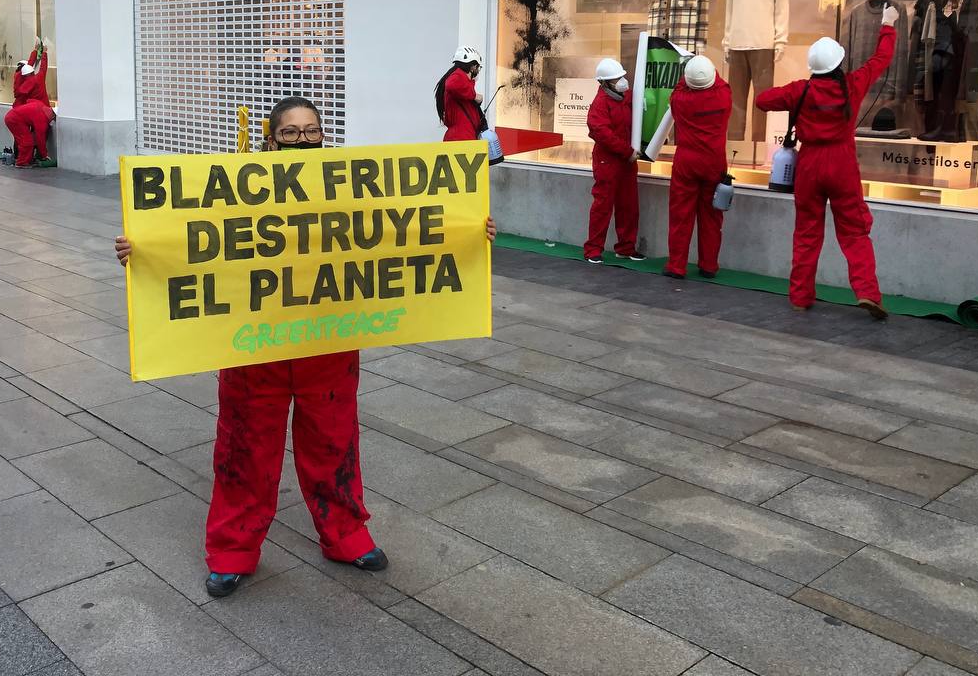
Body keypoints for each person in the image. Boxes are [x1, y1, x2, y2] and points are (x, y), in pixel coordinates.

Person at [114, 95, 498, 599]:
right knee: (244, 449)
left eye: (311, 130)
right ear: (271, 140)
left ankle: (345, 534)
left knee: (333, 442)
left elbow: (398, 229)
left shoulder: (348, 191)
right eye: (290, 133)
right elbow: (187, 241)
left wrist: (469, 231)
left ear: (325, 136)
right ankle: (232, 550)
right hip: (254, 348)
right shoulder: (231, 191)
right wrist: (139, 249)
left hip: (328, 346)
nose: (302, 139)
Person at [756, 3, 899, 319]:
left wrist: (790, 95)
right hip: (842, 164)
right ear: (838, 63)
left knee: (807, 232)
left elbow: (762, 101)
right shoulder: (853, 85)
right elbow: (881, 59)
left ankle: (800, 296)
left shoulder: (800, 91)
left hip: (809, 165)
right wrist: (887, 25)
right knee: (854, 232)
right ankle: (867, 293)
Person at [664, 55, 732, 279]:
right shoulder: (724, 95)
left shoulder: (680, 100)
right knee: (712, 217)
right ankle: (709, 265)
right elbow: (719, 81)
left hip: (686, 161)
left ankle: (676, 265)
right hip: (714, 161)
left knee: (680, 215)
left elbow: (678, 88)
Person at [584, 57, 645, 263]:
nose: (621, 81)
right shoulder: (599, 105)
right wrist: (627, 151)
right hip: (608, 162)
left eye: (621, 77)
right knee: (603, 206)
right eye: (615, 78)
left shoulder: (627, 97)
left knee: (629, 205)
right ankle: (593, 249)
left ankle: (626, 247)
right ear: (604, 83)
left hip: (627, 160)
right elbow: (603, 134)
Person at [435, 47, 485, 142]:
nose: (478, 70)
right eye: (479, 67)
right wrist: (474, 96)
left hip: (462, 137)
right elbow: (451, 84)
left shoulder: (463, 82)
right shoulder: (459, 75)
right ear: (473, 67)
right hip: (461, 138)